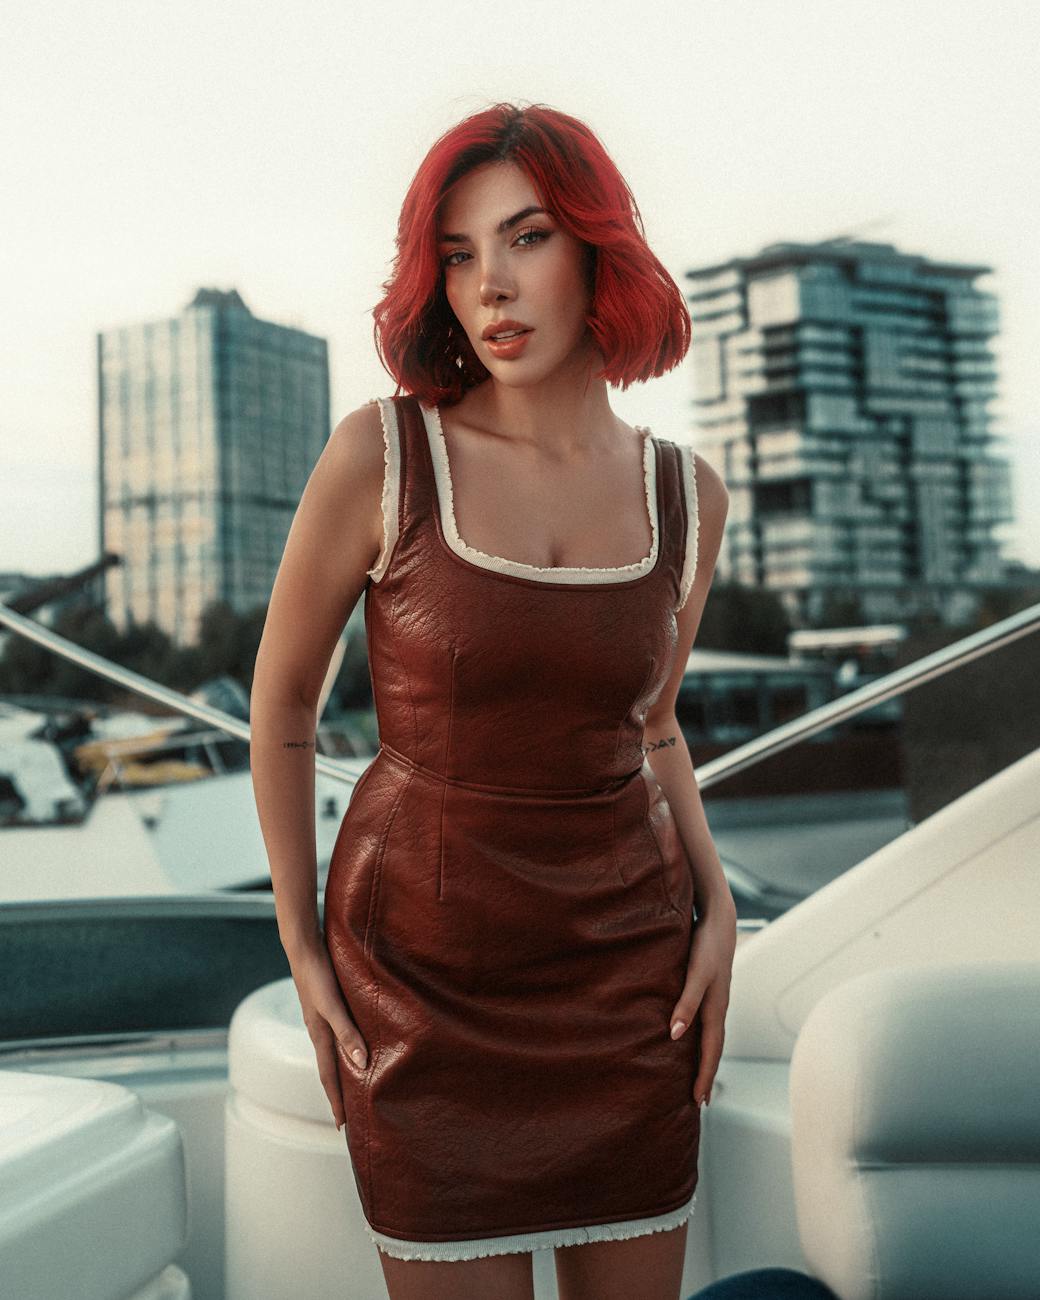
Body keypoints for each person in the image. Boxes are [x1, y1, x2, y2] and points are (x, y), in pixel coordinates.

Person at [250, 100, 737, 1300]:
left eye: (525, 238)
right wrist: (300, 943)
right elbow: (283, 704)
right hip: (419, 978)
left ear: (596, 248)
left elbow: (654, 723)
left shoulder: (688, 494)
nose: (490, 287)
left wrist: (718, 903)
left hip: (624, 978)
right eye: (458, 254)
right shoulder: (381, 454)